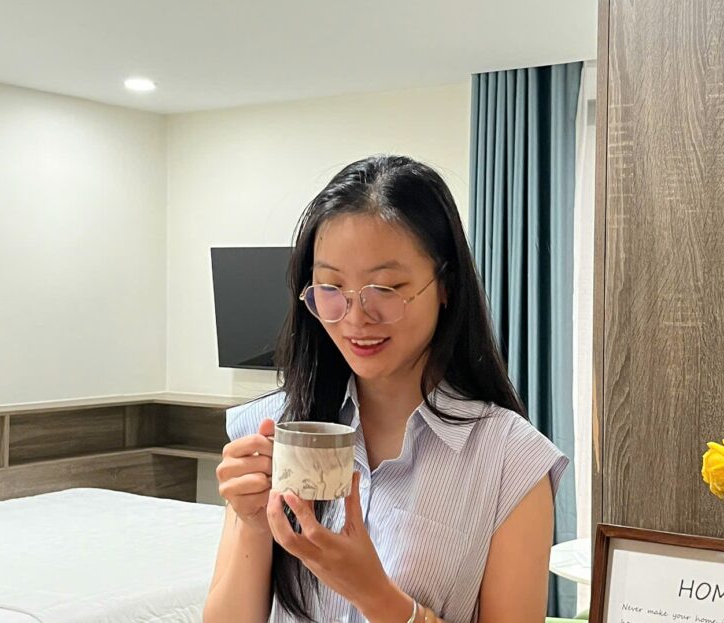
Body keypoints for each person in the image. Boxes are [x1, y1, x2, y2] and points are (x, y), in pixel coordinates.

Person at [205, 155, 568, 623]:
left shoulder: (510, 461)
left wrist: (374, 594)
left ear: (445, 285)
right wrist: (253, 524)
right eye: (331, 288)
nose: (356, 318)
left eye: (386, 287)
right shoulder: (273, 427)